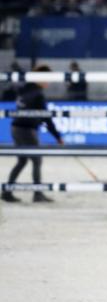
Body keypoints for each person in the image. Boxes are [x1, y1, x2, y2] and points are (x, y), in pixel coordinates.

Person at [3, 64, 63, 203]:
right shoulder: (38, 94)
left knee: (22, 161)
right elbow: (47, 118)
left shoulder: (25, 88)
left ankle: (7, 191)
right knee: (36, 160)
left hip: (16, 127)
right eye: (48, 79)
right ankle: (37, 194)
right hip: (27, 130)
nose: (49, 82)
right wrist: (58, 137)